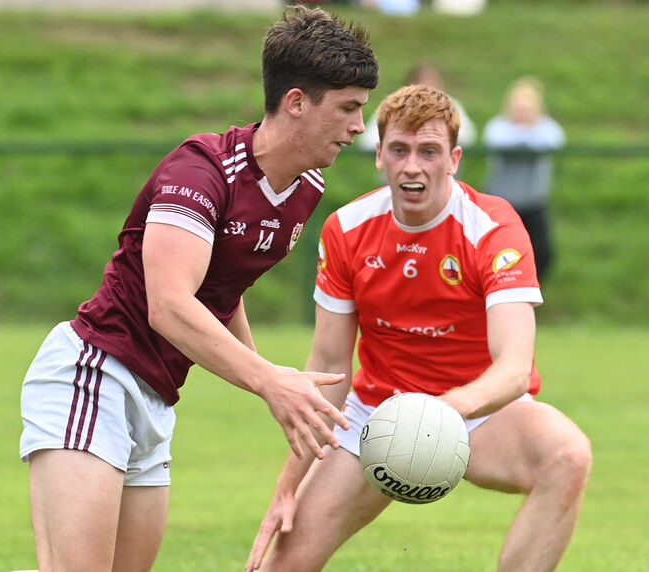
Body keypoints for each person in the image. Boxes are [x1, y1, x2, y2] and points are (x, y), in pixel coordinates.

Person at [18, 6, 379, 572]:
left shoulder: (304, 189)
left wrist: (266, 374)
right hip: (95, 375)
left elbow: (222, 288)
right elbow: (169, 305)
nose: (359, 126)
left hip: (156, 397)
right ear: (296, 102)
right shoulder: (201, 172)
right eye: (348, 108)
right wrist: (268, 382)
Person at [246, 84, 591, 572]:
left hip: (479, 410)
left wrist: (440, 413)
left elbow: (514, 369)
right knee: (283, 564)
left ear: (453, 159)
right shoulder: (346, 229)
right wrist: (287, 486)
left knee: (567, 455)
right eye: (399, 150)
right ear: (379, 156)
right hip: (376, 416)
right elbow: (328, 366)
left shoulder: (493, 228)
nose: (413, 166)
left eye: (429, 151)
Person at [483, 76, 565, 282]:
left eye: (528, 108)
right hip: (501, 202)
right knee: (495, 249)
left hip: (533, 202)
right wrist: (526, 139)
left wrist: (526, 137)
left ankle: (532, 286)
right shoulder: (498, 126)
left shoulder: (546, 127)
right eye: (519, 108)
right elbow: (497, 141)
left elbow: (554, 140)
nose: (523, 113)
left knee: (542, 252)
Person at [356, 62, 477, 153]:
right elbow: (368, 142)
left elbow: (467, 137)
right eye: (422, 83)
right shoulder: (392, 107)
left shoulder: (451, 106)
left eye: (432, 82)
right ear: (409, 85)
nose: (428, 89)